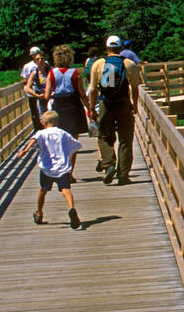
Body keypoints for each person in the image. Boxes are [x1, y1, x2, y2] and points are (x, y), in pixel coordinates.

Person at [89, 35, 142, 186]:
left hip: (106, 104)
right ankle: (123, 174)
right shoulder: (129, 64)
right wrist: (135, 105)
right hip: (124, 104)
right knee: (125, 139)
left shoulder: (99, 64)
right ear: (120, 48)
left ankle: (109, 164)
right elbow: (135, 88)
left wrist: (92, 108)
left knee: (104, 135)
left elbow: (93, 90)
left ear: (107, 48)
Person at [17, 110, 82, 229]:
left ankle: (39, 213)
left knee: (43, 190)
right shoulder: (63, 133)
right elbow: (76, 144)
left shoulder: (41, 133)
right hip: (62, 167)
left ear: (43, 123)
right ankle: (71, 208)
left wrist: (25, 150)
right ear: (57, 122)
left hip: (47, 168)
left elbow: (33, 140)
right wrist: (67, 153)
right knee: (66, 189)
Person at [43, 44, 88, 179]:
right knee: (73, 142)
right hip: (73, 105)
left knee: (60, 141)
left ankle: (61, 171)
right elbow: (82, 93)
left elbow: (46, 95)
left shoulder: (52, 73)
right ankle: (69, 173)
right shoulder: (75, 73)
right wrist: (90, 107)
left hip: (59, 106)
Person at [21, 47, 48, 130]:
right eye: (36, 57)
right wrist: (35, 92)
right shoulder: (28, 67)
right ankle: (38, 129)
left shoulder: (48, 66)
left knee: (49, 114)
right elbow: (25, 81)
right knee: (37, 113)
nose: (40, 60)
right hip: (35, 94)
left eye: (42, 58)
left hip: (48, 95)